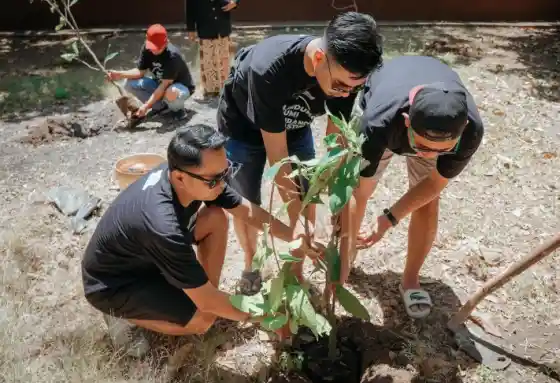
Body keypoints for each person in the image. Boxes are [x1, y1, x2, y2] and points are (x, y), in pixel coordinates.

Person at [82, 124, 323, 357]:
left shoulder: (195, 177)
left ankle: (203, 293)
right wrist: (268, 316)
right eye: (213, 179)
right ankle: (119, 315)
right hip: (114, 282)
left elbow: (245, 210)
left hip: (147, 257)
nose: (221, 184)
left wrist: (296, 236)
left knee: (215, 218)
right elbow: (208, 303)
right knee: (202, 320)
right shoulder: (162, 225)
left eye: (225, 173)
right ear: (179, 177)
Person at [217, 11, 383, 295]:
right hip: (243, 129)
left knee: (307, 198)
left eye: (354, 88)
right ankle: (250, 264)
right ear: (319, 58)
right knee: (247, 202)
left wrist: (338, 197)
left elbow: (335, 138)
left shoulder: (348, 75)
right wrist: (298, 223)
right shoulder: (269, 69)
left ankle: (296, 272)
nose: (345, 94)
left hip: (295, 128)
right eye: (341, 86)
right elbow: (278, 159)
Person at [340, 55, 485, 319]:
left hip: (423, 94)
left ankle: (410, 279)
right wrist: (340, 271)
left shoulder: (471, 129)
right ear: (407, 121)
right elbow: (356, 193)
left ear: (462, 129)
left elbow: (433, 185)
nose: (429, 155)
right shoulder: (377, 123)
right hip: (385, 105)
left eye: (441, 149)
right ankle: (346, 263)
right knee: (359, 192)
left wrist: (389, 218)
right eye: (422, 147)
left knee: (427, 203)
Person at [107, 24, 195, 125]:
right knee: (129, 83)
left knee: (171, 91)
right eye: (152, 47)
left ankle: (178, 110)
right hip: (159, 84)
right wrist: (119, 74)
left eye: (157, 47)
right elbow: (140, 72)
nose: (154, 50)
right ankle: (161, 107)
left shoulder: (173, 56)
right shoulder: (147, 49)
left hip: (180, 88)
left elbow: (164, 86)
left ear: (166, 43)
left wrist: (146, 106)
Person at [186, 0, 239, 98]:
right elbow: (190, 6)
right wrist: (191, 28)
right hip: (205, 24)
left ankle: (225, 88)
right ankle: (211, 90)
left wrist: (235, 2)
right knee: (208, 60)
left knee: (224, 59)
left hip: (222, 22)